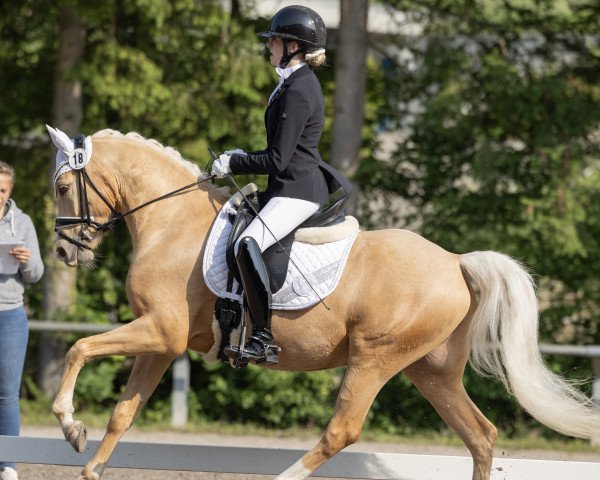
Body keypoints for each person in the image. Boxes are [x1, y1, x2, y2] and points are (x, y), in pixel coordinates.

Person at [211, 5, 351, 365]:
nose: (268, 45)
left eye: (273, 39)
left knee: (247, 243)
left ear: (293, 46)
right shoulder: (291, 83)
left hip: (297, 190)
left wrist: (235, 162)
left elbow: (277, 159)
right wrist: (242, 155)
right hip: (286, 185)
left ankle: (262, 336)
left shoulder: (300, 89)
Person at [0, 162, 43, 480]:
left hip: (11, 317)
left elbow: (36, 274)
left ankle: (8, 465)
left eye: (2, 190)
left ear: (10, 191)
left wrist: (26, 262)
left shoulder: (23, 222)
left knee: (7, 395)